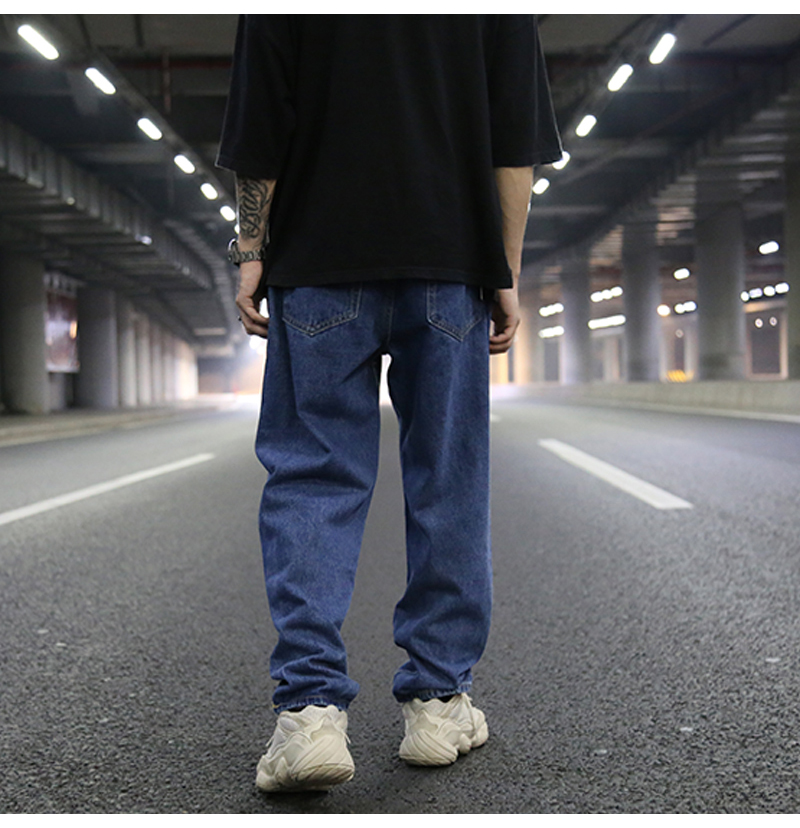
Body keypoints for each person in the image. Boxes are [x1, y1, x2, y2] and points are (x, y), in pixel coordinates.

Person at [216, 14, 561, 793]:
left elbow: (260, 128)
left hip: (318, 262)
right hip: (449, 263)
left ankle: (309, 716)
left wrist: (251, 252)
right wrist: (504, 270)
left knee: (313, 480)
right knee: (449, 480)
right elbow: (515, 144)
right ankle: (439, 702)